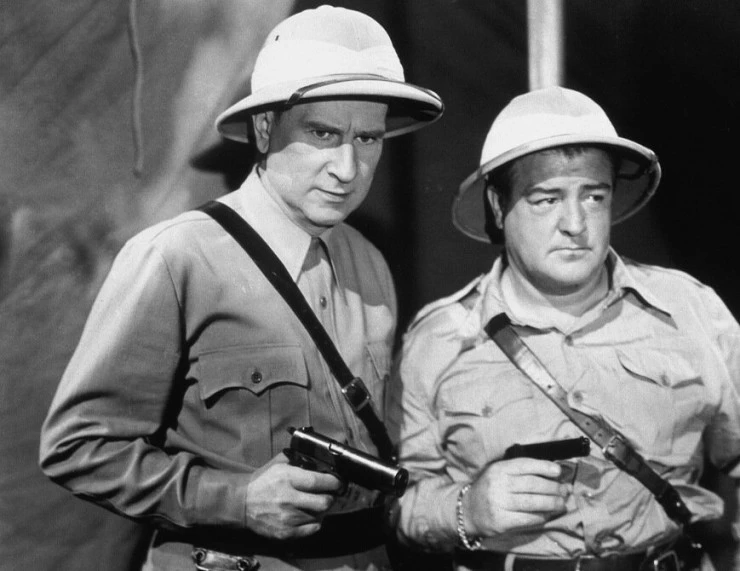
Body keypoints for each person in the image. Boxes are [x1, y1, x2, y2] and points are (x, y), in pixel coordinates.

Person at [39, 5, 443, 571]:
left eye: (368, 138)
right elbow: (78, 446)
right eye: (322, 133)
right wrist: (236, 500)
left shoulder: (369, 263)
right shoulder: (176, 257)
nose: (348, 168)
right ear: (264, 129)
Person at [387, 86, 740, 571]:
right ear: (497, 206)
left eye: (593, 197)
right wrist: (467, 509)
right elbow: (397, 502)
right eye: (546, 199)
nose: (575, 223)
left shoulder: (692, 311)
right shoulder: (438, 339)